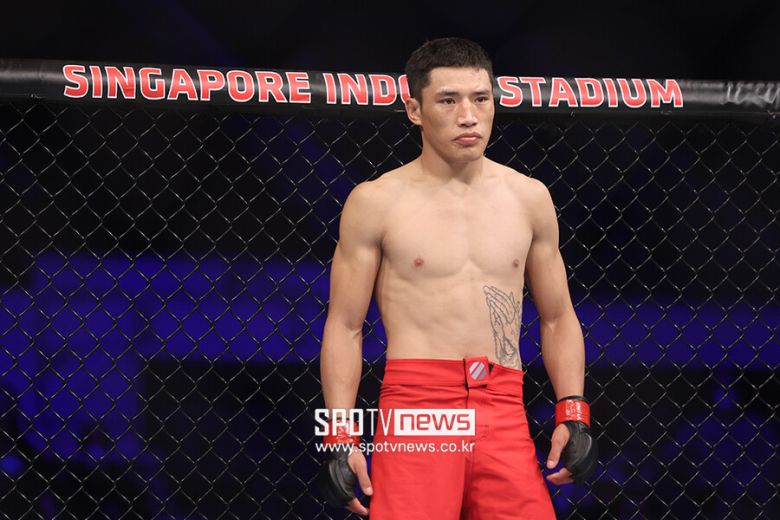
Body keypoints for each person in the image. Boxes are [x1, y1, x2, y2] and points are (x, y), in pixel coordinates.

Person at [316, 37, 597, 519]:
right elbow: (344, 325)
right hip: (419, 408)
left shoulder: (529, 198)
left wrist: (574, 411)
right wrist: (338, 436)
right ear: (415, 110)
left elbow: (557, 316)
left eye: (480, 99)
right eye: (448, 100)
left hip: (504, 404)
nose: (468, 116)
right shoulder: (376, 202)